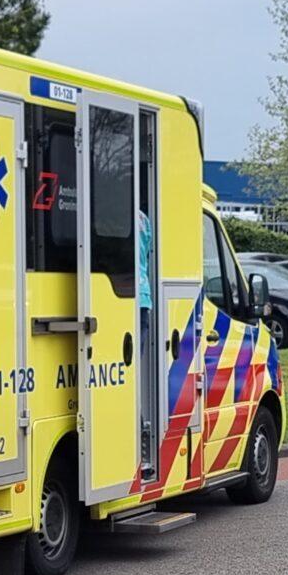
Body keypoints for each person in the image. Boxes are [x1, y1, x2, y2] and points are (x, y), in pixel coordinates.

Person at [137, 206, 156, 480]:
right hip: (142, 297)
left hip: (124, 297)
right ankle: (140, 448)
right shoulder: (142, 219)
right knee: (133, 381)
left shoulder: (103, 209)